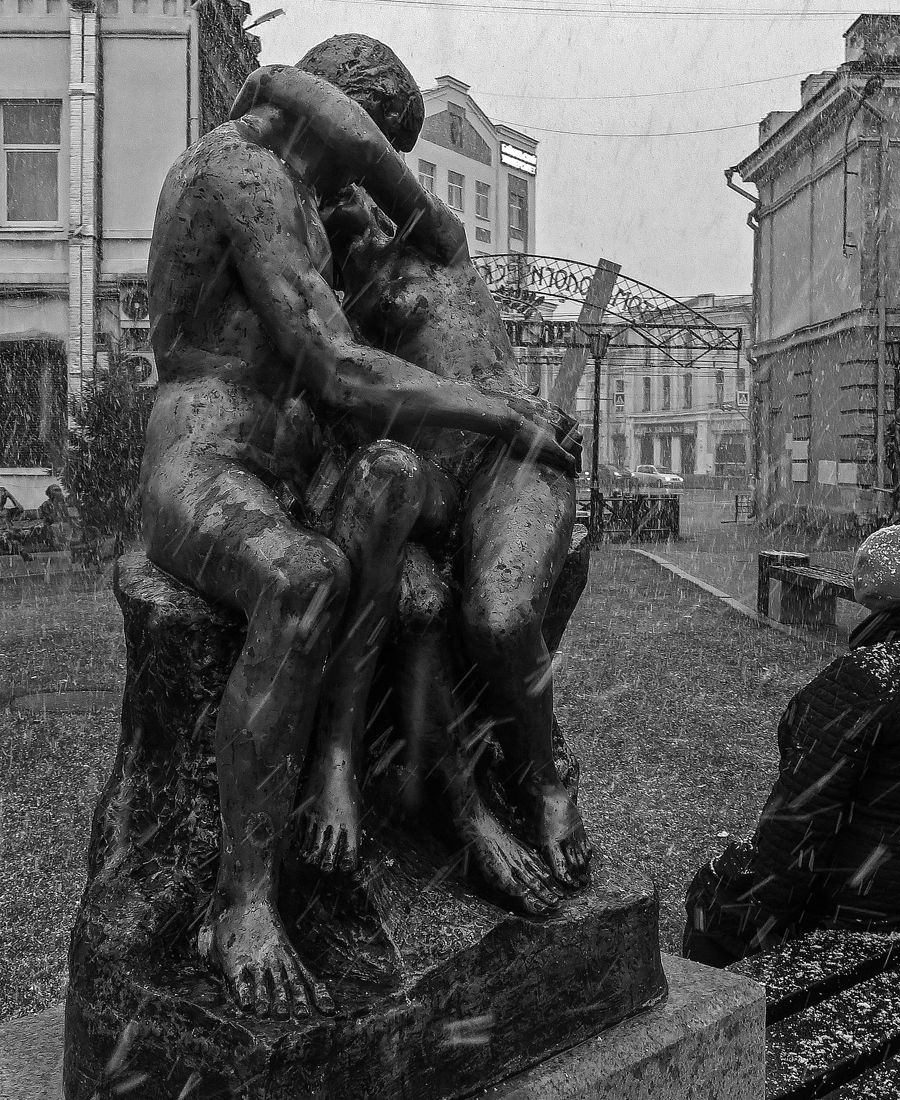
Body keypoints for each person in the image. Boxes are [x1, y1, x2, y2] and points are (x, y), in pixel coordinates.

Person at [141, 39, 577, 1018]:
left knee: (399, 518)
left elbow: (384, 322)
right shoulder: (240, 172)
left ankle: (379, 774)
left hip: (292, 473)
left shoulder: (309, 197)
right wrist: (500, 411)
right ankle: (244, 901)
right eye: (371, 152)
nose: (367, 190)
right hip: (205, 459)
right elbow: (336, 367)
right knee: (299, 580)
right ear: (344, 118)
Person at [231, 49, 592, 909]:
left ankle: (545, 775)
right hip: (422, 483)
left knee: (499, 616)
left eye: (363, 191)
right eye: (334, 201)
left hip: (509, 459)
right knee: (419, 607)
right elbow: (333, 411)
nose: (353, 207)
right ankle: (458, 809)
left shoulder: (434, 241)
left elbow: (366, 153)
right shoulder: (323, 307)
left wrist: (276, 88)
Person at [682, 524, 900, 966]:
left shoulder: (864, 681)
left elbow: (798, 826)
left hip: (858, 918)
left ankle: (716, 1000)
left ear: (870, 591)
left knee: (712, 894)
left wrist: (754, 914)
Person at [38, 484, 74, 549]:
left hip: (66, 526)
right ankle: (58, 545)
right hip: (53, 526)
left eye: (58, 490)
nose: (57, 493)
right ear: (50, 494)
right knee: (54, 527)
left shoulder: (67, 503)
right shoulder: (46, 505)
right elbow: (50, 519)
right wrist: (56, 504)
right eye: (55, 490)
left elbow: (71, 517)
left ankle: (66, 544)